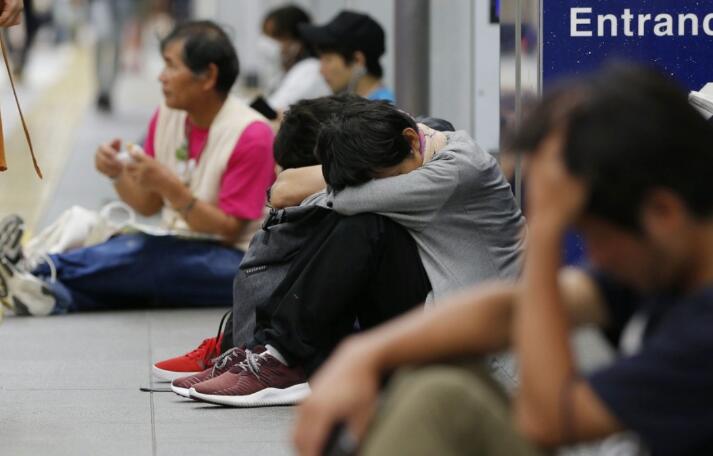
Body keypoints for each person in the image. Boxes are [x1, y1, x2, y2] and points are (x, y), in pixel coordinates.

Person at [292, 64, 713, 456]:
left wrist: (545, 231)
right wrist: (365, 354)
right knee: (436, 384)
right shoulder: (666, 269)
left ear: (663, 213)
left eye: (594, 236)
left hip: (549, 414)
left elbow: (548, 419)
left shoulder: (702, 328)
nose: (595, 255)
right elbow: (505, 310)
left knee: (438, 400)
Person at [166, 98, 525, 407]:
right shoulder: (413, 146)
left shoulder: (461, 170)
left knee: (362, 223)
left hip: (472, 345)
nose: (388, 184)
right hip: (431, 309)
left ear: (411, 140)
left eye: (387, 177)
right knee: (358, 222)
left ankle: (284, 357)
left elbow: (335, 197)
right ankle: (275, 352)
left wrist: (317, 185)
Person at [0, 21, 275, 316]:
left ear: (208, 76)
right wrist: (117, 173)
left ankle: (38, 267)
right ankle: (49, 294)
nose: (160, 77)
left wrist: (169, 186)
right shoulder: (169, 115)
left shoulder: (252, 134)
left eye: (170, 66)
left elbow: (228, 232)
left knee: (148, 257)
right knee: (118, 246)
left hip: (236, 262)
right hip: (181, 245)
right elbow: (147, 204)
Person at [299, 11, 395, 102]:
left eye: (328, 60)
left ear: (357, 60)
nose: (321, 71)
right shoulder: (362, 107)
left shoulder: (385, 114)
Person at [260, 4, 331, 113]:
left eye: (276, 37)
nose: (269, 43)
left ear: (297, 40)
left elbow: (272, 111)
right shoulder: (289, 70)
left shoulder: (309, 69)